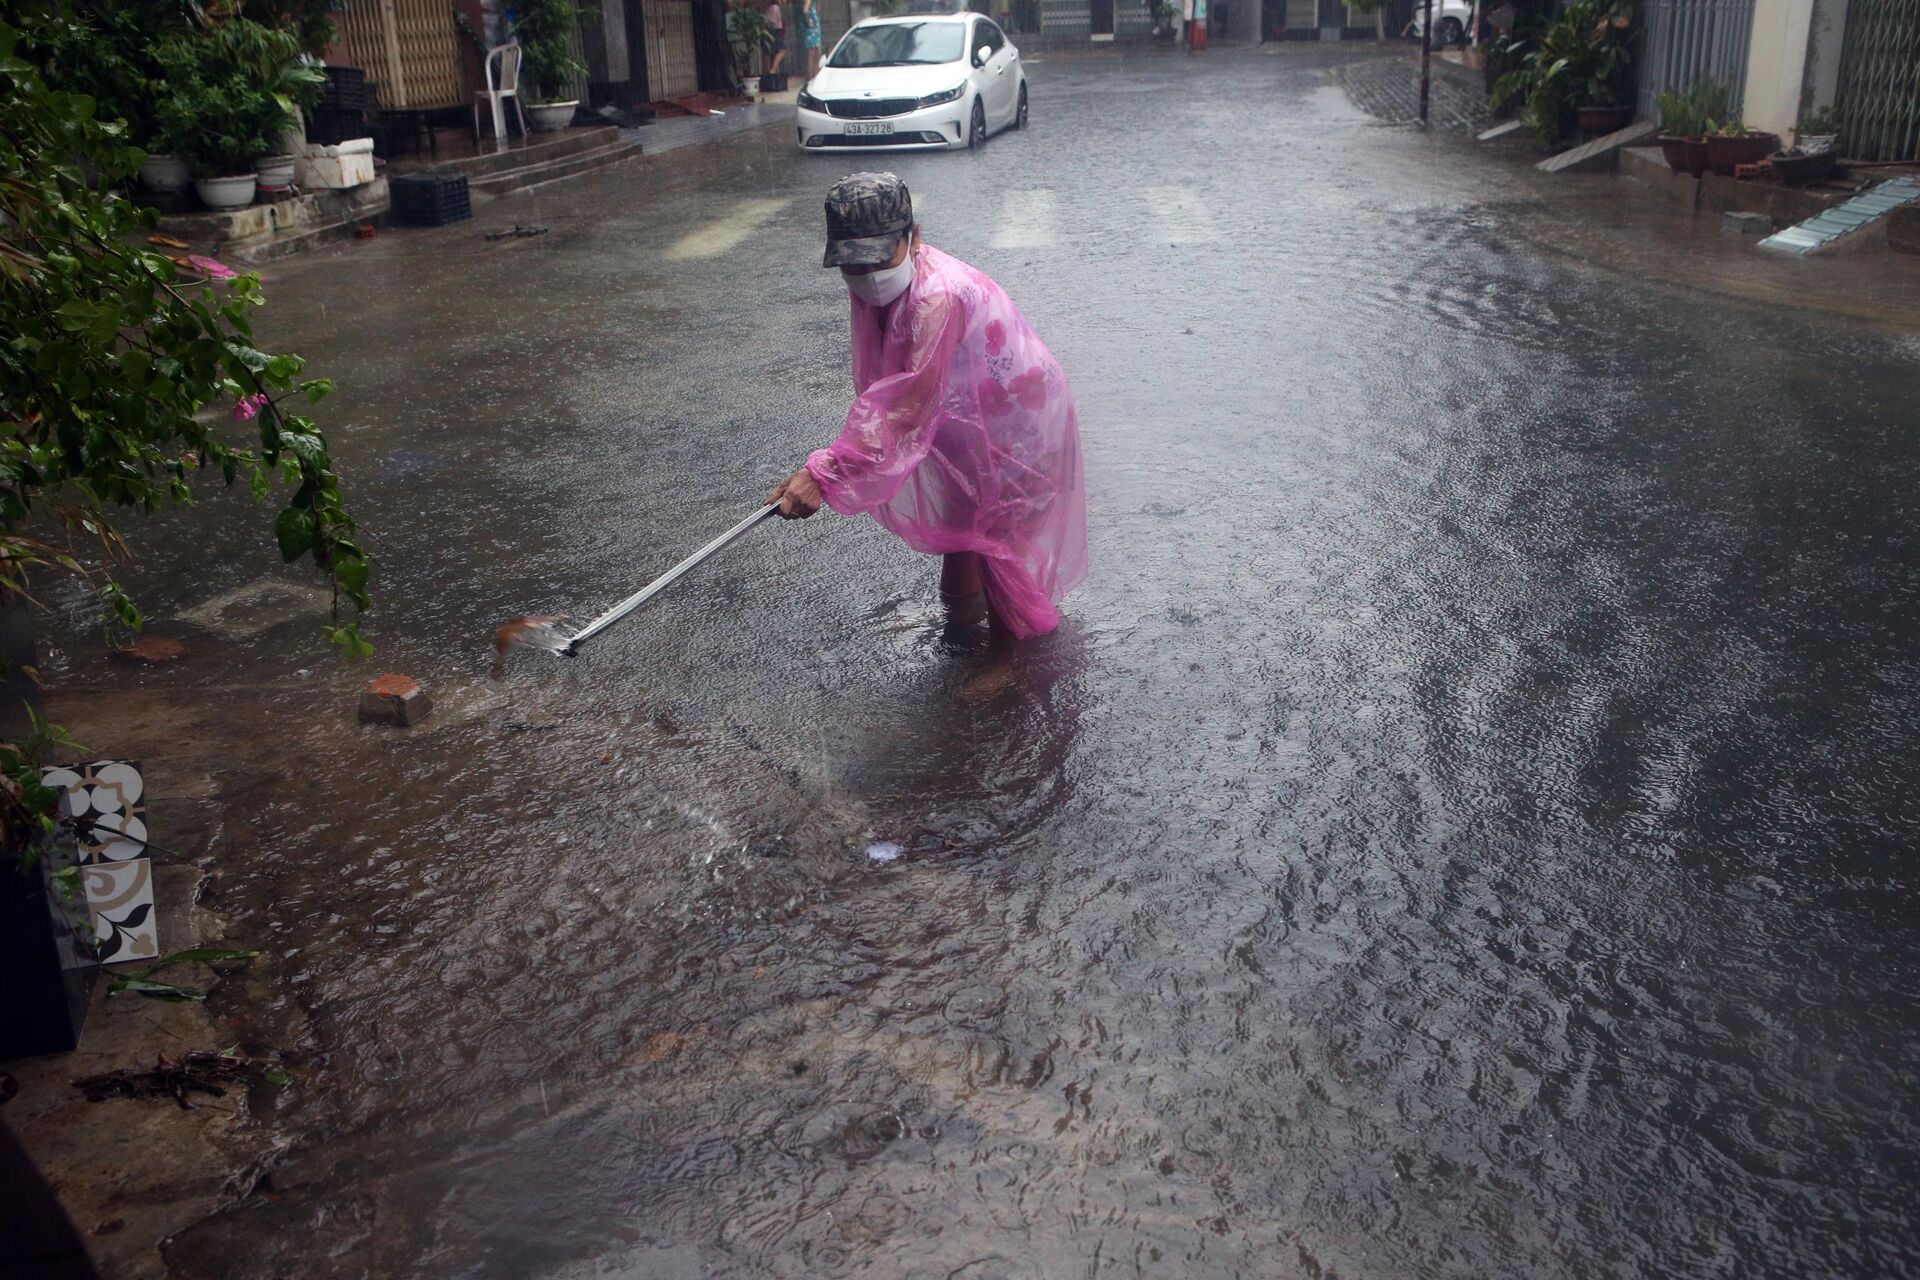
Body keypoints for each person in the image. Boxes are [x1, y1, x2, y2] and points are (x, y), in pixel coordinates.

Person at [770, 173, 1087, 639]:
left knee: (1000, 539)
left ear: (914, 237)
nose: (869, 275)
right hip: (967, 418)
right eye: (854, 266)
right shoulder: (887, 284)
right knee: (965, 525)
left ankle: (1010, 660)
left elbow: (906, 405)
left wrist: (827, 473)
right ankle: (960, 628)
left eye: (881, 259)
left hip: (1020, 427)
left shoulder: (935, 297)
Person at [763, 0, 787, 76]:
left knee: (767, 52)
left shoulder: (770, 8)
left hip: (767, 30)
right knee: (781, 50)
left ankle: (768, 71)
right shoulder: (775, 8)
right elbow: (777, 23)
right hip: (774, 31)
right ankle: (772, 70)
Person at [801, 0, 822, 82]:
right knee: (811, 55)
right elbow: (805, 11)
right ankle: (811, 78)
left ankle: (814, 76)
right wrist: (809, 22)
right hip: (811, 31)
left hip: (814, 30)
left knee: (816, 54)